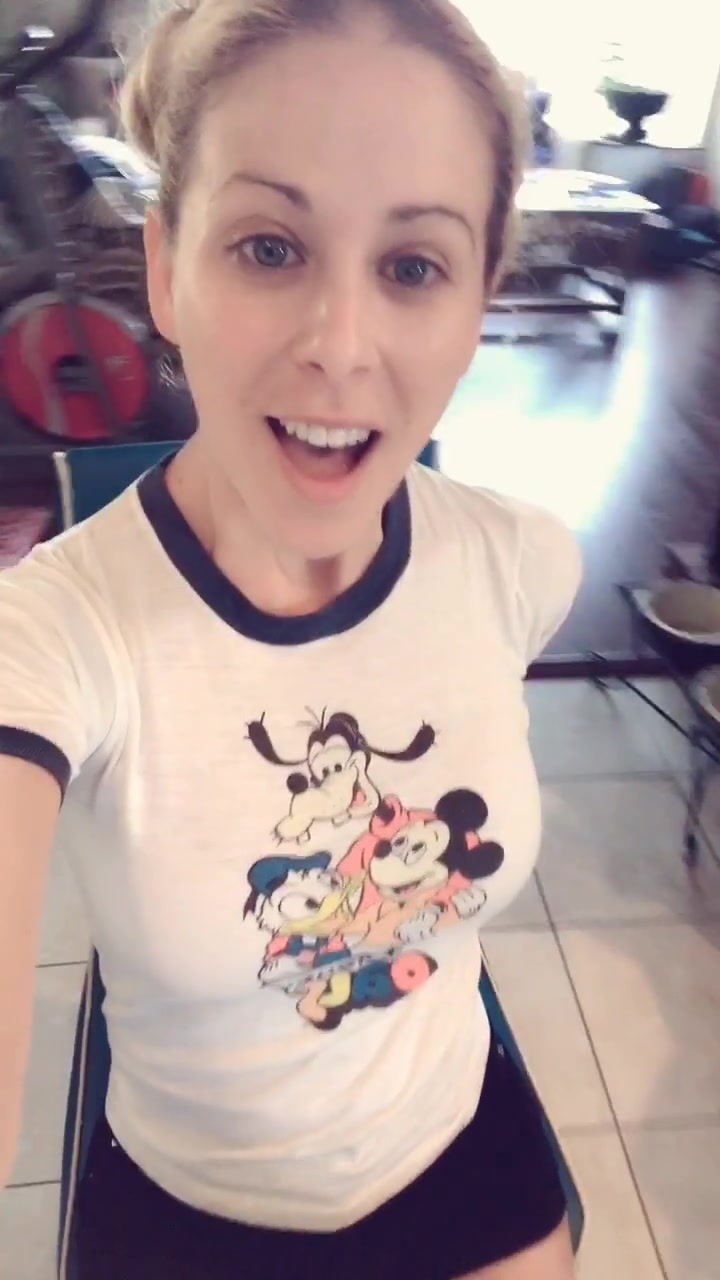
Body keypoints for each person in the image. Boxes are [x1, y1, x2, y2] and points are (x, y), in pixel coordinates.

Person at [0, 1, 583, 1276]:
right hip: (192, 1204)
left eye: (413, 267)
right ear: (167, 269)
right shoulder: (55, 630)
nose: (340, 347)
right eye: (269, 247)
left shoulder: (522, 565)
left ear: (481, 300)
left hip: (461, 1144)